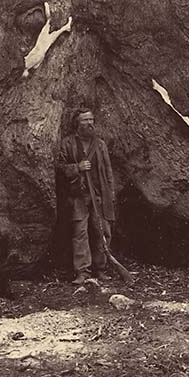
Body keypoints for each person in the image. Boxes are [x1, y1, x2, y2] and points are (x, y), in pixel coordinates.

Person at [57, 109, 116, 285]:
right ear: (77, 123)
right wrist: (77, 167)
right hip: (78, 196)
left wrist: (111, 194)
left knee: (103, 232)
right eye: (85, 120)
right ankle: (82, 271)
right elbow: (59, 167)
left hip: (98, 195)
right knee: (80, 233)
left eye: (91, 119)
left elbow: (108, 171)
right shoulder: (67, 143)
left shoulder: (100, 144)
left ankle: (101, 269)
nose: (90, 123)